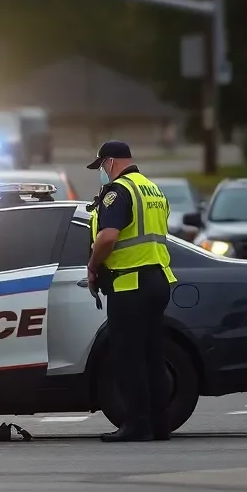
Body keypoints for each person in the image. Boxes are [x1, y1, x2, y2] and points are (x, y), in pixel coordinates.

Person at [86, 140, 177, 443]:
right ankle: (159, 424)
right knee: (152, 355)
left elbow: (108, 237)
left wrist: (92, 265)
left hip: (130, 283)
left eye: (101, 166)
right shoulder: (152, 189)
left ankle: (137, 424)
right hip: (158, 280)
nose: (102, 172)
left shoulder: (118, 191)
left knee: (128, 357)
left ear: (110, 162)